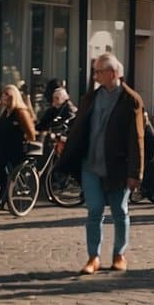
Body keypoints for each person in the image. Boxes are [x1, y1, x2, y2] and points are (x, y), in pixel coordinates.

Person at [59, 54, 144, 276]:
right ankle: (93, 257)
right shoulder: (91, 98)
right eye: (94, 72)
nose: (95, 76)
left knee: (119, 211)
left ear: (113, 73)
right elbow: (81, 128)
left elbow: (137, 139)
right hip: (90, 163)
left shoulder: (130, 100)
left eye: (99, 72)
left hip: (117, 166)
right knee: (94, 210)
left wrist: (135, 172)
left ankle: (119, 254)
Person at [0, 84, 36, 209]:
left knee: (10, 175)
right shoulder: (4, 113)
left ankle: (3, 200)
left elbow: (30, 132)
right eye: (3, 94)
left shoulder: (20, 112)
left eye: (7, 95)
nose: (3, 97)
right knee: (2, 175)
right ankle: (0, 200)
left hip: (15, 149)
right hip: (3, 148)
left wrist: (25, 139)